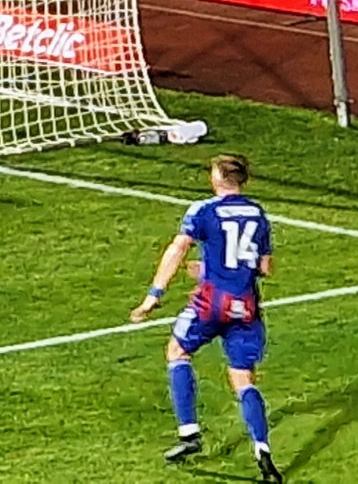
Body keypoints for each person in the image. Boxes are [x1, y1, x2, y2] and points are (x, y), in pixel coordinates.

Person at [128, 154, 282, 483]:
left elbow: (178, 248)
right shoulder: (258, 213)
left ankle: (189, 433)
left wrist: (154, 295)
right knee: (243, 378)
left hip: (210, 304)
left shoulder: (203, 210)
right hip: (245, 306)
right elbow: (265, 268)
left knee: (177, 351)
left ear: (219, 178)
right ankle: (262, 447)